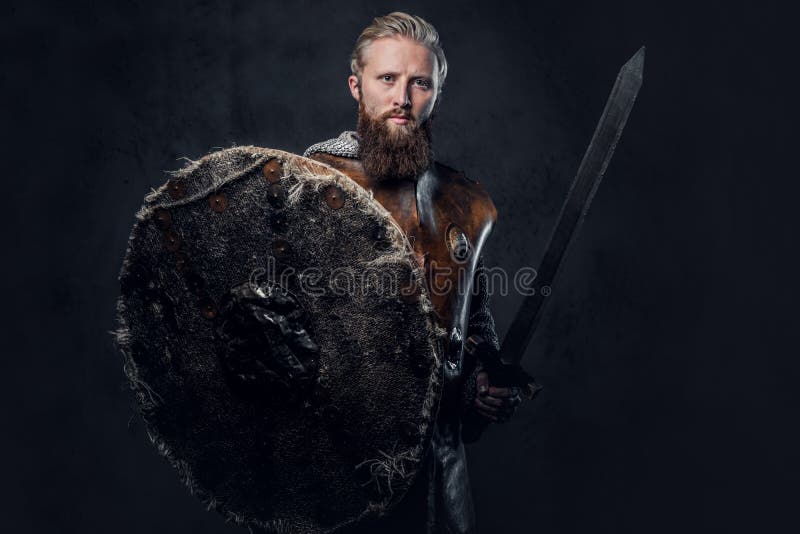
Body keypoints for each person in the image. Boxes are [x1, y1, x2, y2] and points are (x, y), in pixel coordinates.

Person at [303, 12, 524, 534]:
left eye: (420, 82)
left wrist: (481, 378)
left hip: (436, 469)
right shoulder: (309, 184)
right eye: (388, 79)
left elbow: (472, 322)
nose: (404, 97)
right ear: (357, 87)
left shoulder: (461, 202)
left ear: (436, 93)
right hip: (338, 464)